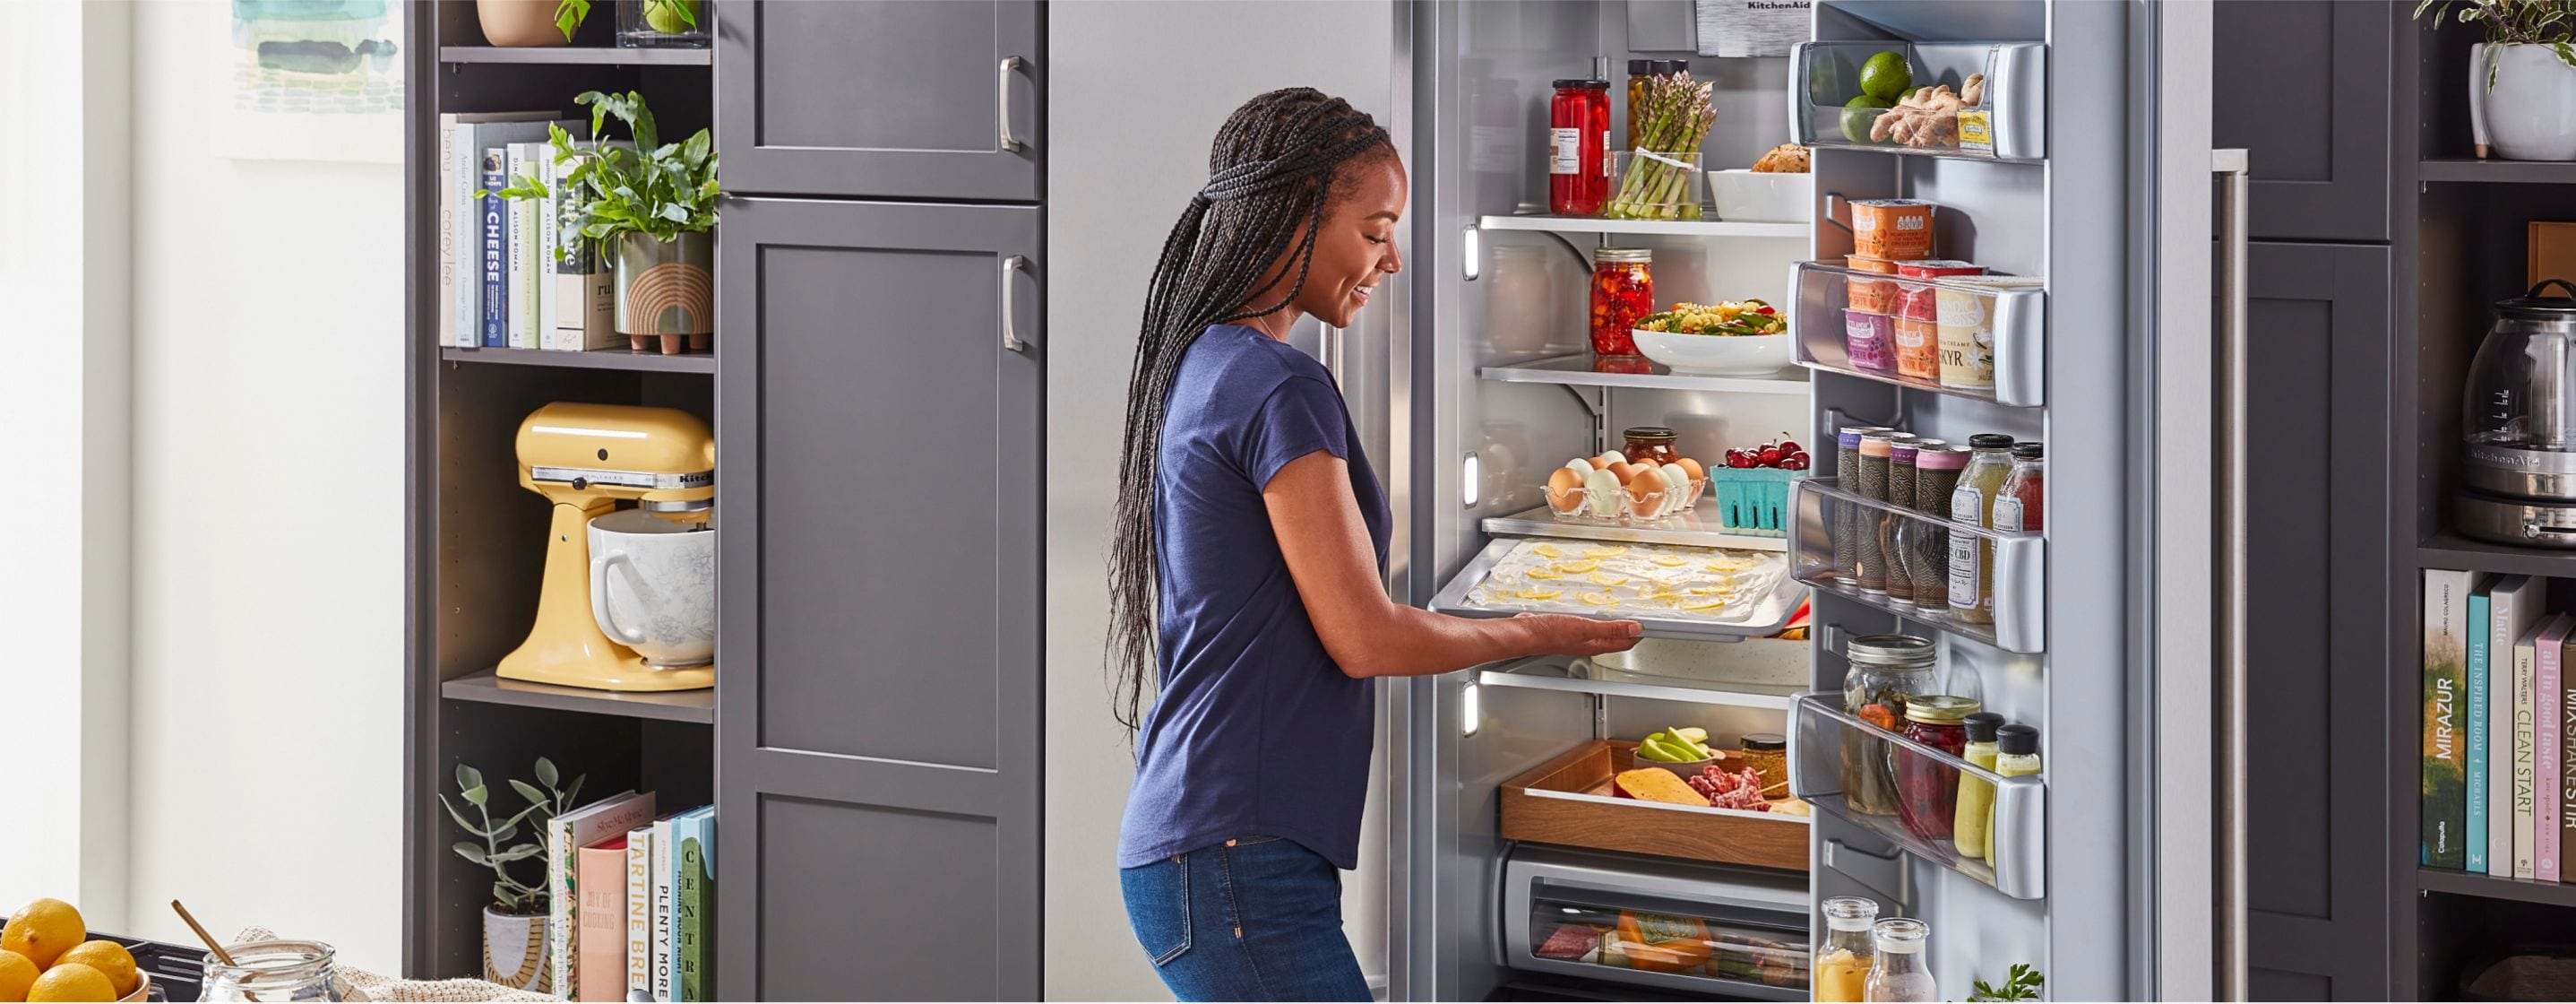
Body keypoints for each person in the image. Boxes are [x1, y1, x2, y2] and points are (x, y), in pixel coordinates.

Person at [1108, 87, 1642, 1002]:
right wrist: (1539, 630)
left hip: (1213, 848)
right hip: (1235, 859)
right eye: (1375, 228)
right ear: (1295, 218)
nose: (1390, 258)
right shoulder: (1281, 385)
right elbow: (1366, 636)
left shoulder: (1207, 360)